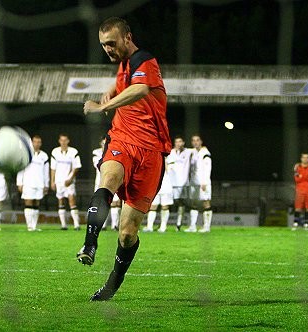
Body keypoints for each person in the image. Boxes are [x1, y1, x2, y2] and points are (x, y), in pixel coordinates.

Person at [77, 17, 171, 301]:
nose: (107, 49)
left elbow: (141, 88)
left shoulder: (144, 59)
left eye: (112, 43)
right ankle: (89, 244)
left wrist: (103, 104)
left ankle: (110, 288)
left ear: (127, 37)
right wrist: (113, 89)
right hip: (122, 140)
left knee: (128, 233)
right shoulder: (125, 66)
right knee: (108, 179)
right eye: (104, 45)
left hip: (153, 150)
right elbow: (127, 84)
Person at [16, 135, 49, 231]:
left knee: (36, 204)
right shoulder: (25, 154)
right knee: (28, 203)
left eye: (39, 142)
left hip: (39, 183)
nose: (37, 144)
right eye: (35, 142)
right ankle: (29, 225)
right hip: (28, 182)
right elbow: (20, 169)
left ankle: (34, 226)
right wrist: (19, 182)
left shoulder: (44, 156)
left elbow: (46, 172)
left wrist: (46, 184)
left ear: (41, 143)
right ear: (31, 142)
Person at [50, 133, 82, 230]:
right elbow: (53, 168)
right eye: (62, 140)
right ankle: (63, 225)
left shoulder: (73, 151)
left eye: (65, 140)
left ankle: (76, 224)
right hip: (59, 181)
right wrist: (52, 181)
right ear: (59, 141)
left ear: (68, 141)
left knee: (72, 201)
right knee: (60, 201)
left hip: (69, 181)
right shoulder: (55, 152)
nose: (63, 142)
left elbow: (76, 167)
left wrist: (70, 179)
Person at [93, 136, 122, 230]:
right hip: (100, 183)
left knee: (115, 203)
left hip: (114, 182)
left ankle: (114, 225)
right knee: (102, 203)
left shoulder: (115, 152)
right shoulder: (96, 153)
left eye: (106, 143)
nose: (105, 145)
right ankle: (103, 225)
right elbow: (99, 165)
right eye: (103, 143)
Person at [185, 135, 212, 233]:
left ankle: (207, 227)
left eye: (197, 140)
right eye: (193, 140)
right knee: (194, 203)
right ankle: (193, 226)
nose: (195, 142)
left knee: (206, 202)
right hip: (194, 182)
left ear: (201, 141)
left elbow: (208, 168)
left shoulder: (205, 153)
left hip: (203, 182)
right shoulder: (193, 152)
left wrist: (205, 182)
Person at [167, 136, 192, 231]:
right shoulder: (171, 152)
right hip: (171, 182)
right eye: (176, 142)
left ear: (183, 143)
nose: (178, 143)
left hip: (183, 182)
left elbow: (199, 149)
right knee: (168, 203)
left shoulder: (188, 152)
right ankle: (163, 224)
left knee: (181, 202)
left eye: (180, 141)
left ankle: (179, 223)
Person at [143, 158, 174, 233]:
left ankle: (163, 226)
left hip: (166, 185)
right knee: (153, 206)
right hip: (154, 185)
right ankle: (149, 226)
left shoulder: (169, 158)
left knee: (165, 206)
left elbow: (170, 171)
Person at [292, 153, 308, 230]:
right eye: (304, 158)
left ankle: (306, 223)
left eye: (307, 158)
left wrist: (303, 177)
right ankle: (295, 223)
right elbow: (296, 179)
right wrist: (307, 177)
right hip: (300, 189)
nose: (305, 159)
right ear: (301, 159)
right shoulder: (297, 168)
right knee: (298, 206)